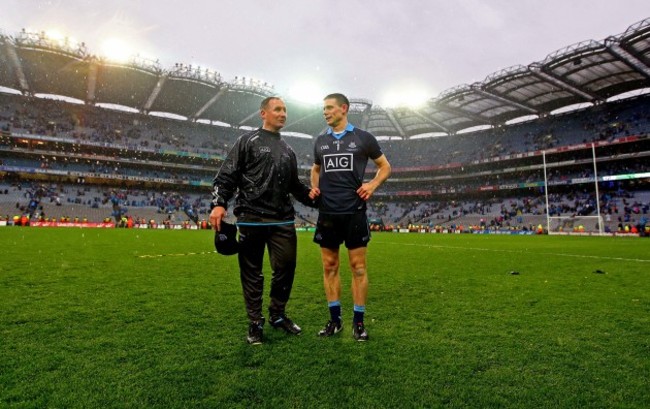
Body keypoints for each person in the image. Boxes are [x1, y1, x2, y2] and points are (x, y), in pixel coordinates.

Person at [210, 96, 319, 345]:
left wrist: (312, 197)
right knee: (252, 273)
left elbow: (295, 187)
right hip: (251, 218)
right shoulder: (247, 141)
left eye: (285, 110)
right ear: (263, 113)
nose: (283, 114)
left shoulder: (289, 150)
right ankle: (255, 322)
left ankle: (278, 315)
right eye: (277, 109)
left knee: (286, 267)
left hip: (282, 220)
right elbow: (227, 176)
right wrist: (218, 204)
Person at [310, 93, 391, 341]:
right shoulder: (320, 141)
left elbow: (385, 166)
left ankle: (358, 323)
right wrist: (314, 188)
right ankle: (335, 322)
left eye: (330, 108)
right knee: (329, 266)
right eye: (324, 109)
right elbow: (315, 169)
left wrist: (372, 185)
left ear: (344, 109)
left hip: (354, 212)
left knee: (358, 268)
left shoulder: (363, 138)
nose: (325, 112)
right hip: (328, 214)